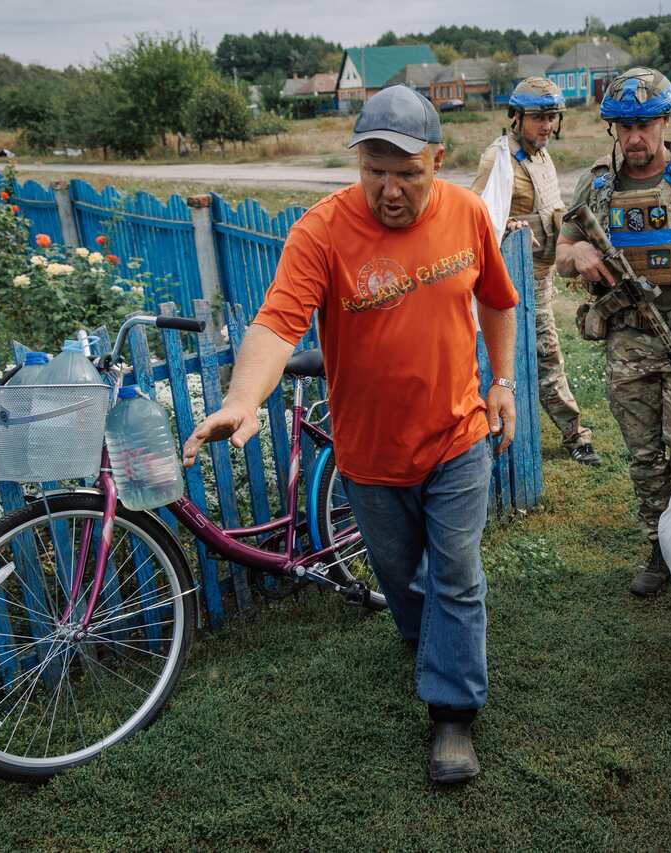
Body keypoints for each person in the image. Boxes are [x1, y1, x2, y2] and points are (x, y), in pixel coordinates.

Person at [182, 85, 519, 785]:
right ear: (358, 163)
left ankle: (452, 713)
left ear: (438, 159)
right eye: (375, 171)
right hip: (368, 457)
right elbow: (277, 322)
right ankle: (424, 637)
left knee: (455, 572)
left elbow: (496, 299)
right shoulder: (323, 231)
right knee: (402, 583)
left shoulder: (465, 214)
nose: (389, 189)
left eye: (407, 173)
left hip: (458, 436)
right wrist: (244, 398)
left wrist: (502, 380)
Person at [555, 66, 671, 598]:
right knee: (643, 457)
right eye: (624, 127)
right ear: (612, 128)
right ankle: (659, 548)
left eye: (646, 125)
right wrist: (581, 253)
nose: (635, 138)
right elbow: (561, 255)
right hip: (626, 347)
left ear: (666, 121)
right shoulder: (594, 188)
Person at [471, 76, 600, 466]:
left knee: (540, 357)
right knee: (540, 358)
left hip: (538, 280)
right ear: (517, 116)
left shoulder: (543, 158)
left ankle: (554, 432)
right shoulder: (498, 159)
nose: (546, 125)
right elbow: (477, 216)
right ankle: (572, 435)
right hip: (507, 284)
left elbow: (551, 209)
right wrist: (506, 227)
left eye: (552, 117)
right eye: (538, 117)